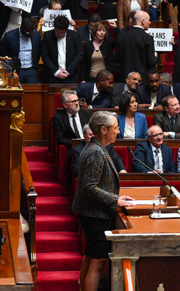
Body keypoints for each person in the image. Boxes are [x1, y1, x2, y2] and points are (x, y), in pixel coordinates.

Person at [72, 111, 135, 291]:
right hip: (94, 213)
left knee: (91, 255)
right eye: (115, 128)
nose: (119, 131)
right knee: (98, 260)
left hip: (93, 212)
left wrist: (117, 198)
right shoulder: (96, 152)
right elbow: (89, 187)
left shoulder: (98, 148)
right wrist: (116, 200)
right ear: (104, 129)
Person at [40, 16, 83, 84]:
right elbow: (45, 56)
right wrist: (56, 72)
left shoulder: (75, 36)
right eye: (57, 32)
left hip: (71, 76)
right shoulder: (47, 36)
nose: (59, 34)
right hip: (52, 76)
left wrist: (68, 71)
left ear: (66, 29)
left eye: (62, 32)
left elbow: (79, 55)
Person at [115, 11, 157, 81]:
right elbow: (151, 62)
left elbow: (117, 59)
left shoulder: (121, 36)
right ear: (143, 21)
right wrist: (155, 56)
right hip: (141, 79)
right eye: (148, 20)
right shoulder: (148, 38)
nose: (150, 22)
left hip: (125, 77)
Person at [0, 17, 41, 84]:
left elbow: (38, 52)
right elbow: (3, 54)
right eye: (28, 32)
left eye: (32, 31)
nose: (30, 34)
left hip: (31, 70)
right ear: (21, 28)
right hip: (15, 70)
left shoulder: (36, 35)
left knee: (33, 91)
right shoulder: (9, 36)